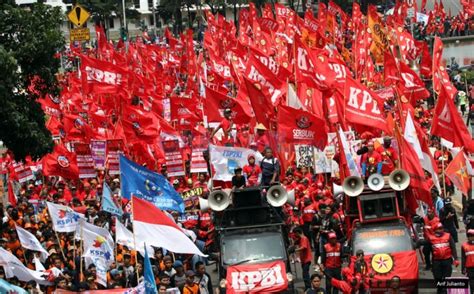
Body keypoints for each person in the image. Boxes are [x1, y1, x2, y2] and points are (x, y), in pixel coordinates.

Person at [427, 223, 459, 294]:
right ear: (435, 230)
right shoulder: (430, 238)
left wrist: (456, 259)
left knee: (446, 277)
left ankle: (445, 290)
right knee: (437, 277)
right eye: (439, 229)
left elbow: (453, 247)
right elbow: (427, 249)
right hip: (436, 261)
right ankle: (440, 289)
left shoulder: (448, 236)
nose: (441, 230)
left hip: (447, 260)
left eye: (441, 228)